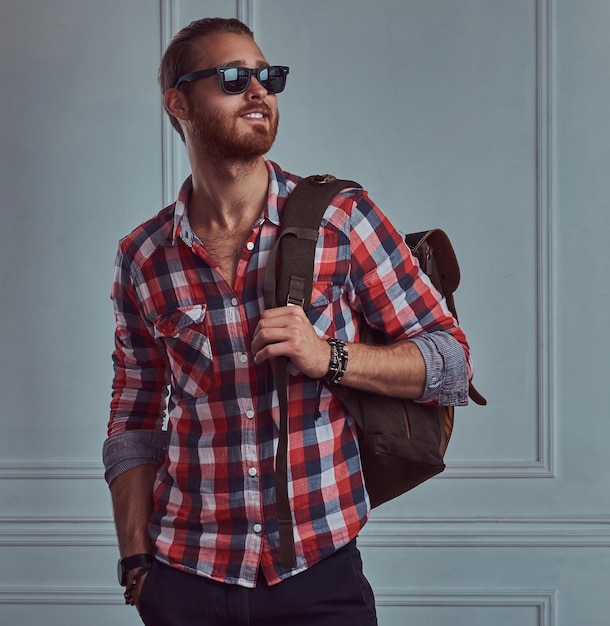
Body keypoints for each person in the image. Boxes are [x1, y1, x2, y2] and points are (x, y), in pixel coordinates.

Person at [103, 16, 472, 626]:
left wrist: (330, 355)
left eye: (267, 77)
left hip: (319, 577)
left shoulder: (342, 219)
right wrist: (136, 562)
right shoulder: (144, 254)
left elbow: (451, 364)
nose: (259, 91)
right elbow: (134, 412)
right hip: (184, 578)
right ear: (178, 103)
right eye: (232, 78)